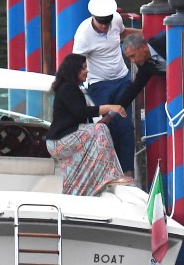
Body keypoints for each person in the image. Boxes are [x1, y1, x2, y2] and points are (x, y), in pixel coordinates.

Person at [46, 53, 132, 196]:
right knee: (101, 129)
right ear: (74, 70)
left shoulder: (70, 88)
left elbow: (80, 116)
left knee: (78, 164)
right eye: (84, 68)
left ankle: (73, 194)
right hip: (59, 141)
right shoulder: (67, 88)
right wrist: (111, 107)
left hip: (62, 140)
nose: (87, 71)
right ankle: (113, 174)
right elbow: (82, 112)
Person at [73, 0, 140, 177]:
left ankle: (127, 172)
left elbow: (124, 33)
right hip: (99, 84)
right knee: (108, 127)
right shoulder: (83, 34)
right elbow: (76, 63)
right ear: (93, 18)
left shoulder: (116, 20)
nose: (104, 26)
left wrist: (151, 32)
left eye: (107, 22)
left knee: (125, 126)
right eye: (101, 22)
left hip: (122, 79)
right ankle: (111, 170)